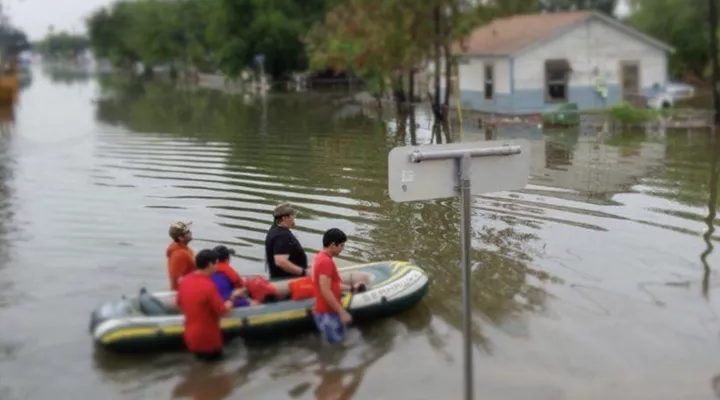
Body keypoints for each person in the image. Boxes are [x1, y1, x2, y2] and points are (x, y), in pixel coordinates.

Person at [176, 248, 245, 362]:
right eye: (216, 264)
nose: (217, 267)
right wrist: (233, 298)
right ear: (209, 265)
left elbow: (179, 303)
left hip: (190, 337)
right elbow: (224, 312)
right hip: (208, 339)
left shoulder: (185, 281)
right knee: (217, 371)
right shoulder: (208, 286)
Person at [312, 228, 354, 345]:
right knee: (338, 349)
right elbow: (325, 290)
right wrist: (342, 312)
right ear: (332, 245)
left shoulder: (320, 257)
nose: (343, 248)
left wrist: (350, 288)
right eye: (341, 245)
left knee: (337, 348)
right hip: (329, 313)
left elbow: (331, 285)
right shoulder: (326, 262)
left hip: (325, 312)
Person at [265, 203, 308, 280]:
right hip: (287, 280)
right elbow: (280, 261)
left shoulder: (274, 230)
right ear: (285, 218)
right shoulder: (282, 236)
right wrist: (303, 272)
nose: (294, 218)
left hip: (278, 277)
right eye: (292, 215)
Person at [167, 221, 196, 291]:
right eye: (187, 232)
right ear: (180, 238)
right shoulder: (179, 254)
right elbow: (175, 280)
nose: (190, 233)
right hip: (184, 292)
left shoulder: (186, 249)